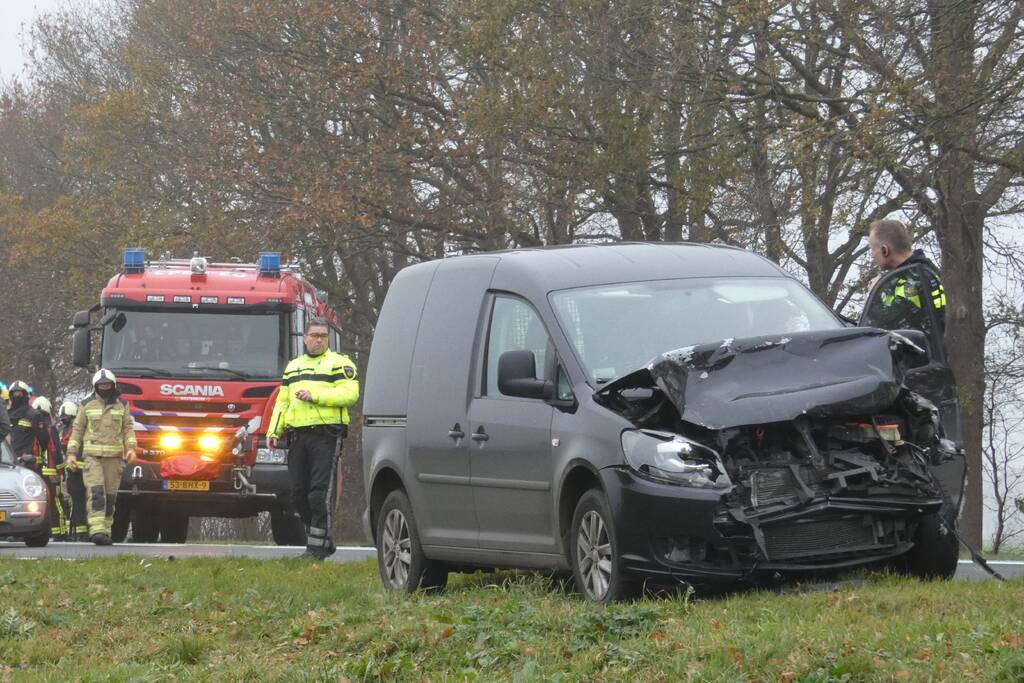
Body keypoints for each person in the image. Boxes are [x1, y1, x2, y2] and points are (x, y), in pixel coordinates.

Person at [268, 318, 359, 560]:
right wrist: (273, 431)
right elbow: (283, 401)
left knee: (318, 493)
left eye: (323, 336)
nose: (319, 340)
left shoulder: (339, 363)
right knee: (297, 493)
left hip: (326, 435)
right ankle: (322, 539)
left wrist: (315, 395)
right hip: (298, 435)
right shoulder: (293, 366)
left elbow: (350, 394)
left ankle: (316, 549)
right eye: (315, 335)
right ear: (305, 338)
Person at [65, 369, 137, 545]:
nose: (104, 388)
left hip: (114, 459)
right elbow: (78, 430)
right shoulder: (86, 405)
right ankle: (96, 530)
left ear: (113, 386)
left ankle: (105, 530)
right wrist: (71, 454)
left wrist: (131, 448)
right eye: (101, 385)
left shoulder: (122, 405)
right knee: (97, 492)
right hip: (92, 458)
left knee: (110, 496)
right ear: (95, 386)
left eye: (107, 385)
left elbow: (128, 428)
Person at [866, 219, 946, 333]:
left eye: (872, 249)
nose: (872, 255)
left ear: (885, 250)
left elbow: (888, 328)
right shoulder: (919, 272)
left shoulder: (915, 279)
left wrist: (874, 293)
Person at [31, 396, 69, 540]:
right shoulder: (51, 428)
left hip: (36, 472)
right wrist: (61, 471)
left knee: (39, 503)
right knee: (57, 502)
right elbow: (55, 451)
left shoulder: (30, 427)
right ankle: (59, 532)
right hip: (52, 473)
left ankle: (43, 530)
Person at [58, 400, 89, 541]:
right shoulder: (73, 428)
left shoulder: (69, 429)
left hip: (74, 471)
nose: (63, 420)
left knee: (78, 502)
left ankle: (79, 531)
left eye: (65, 418)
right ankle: (80, 531)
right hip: (75, 471)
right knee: (78, 502)